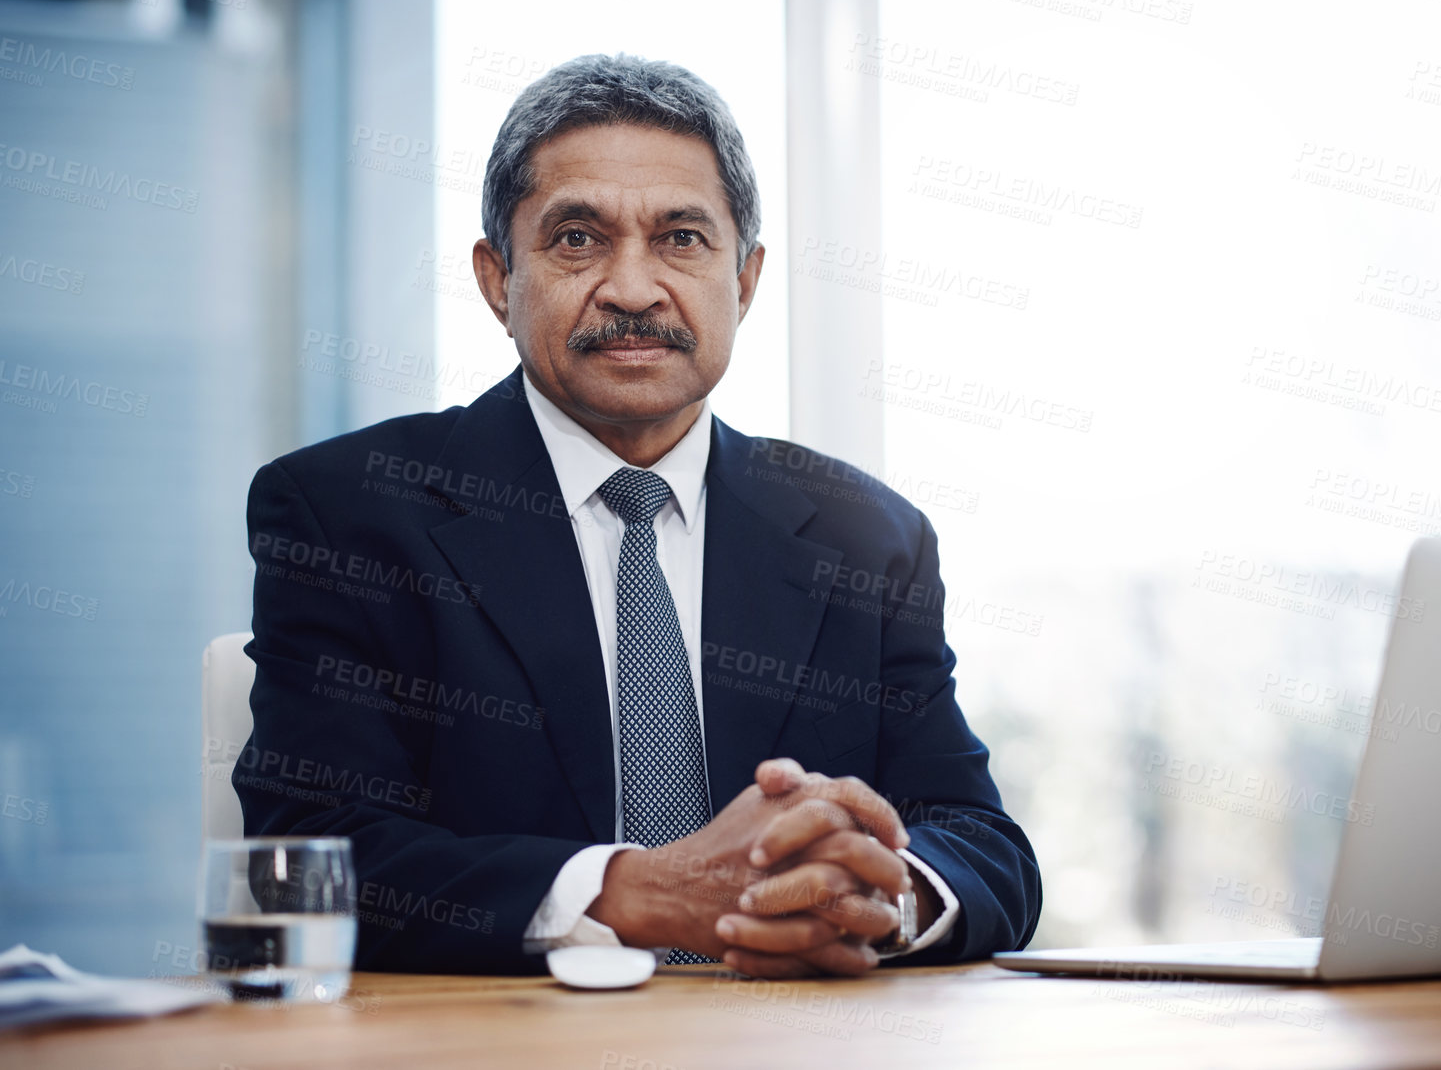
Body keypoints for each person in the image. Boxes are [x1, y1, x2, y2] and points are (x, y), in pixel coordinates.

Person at [236, 53, 1040, 976]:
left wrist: (877, 894)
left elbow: (982, 844)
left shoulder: (867, 537)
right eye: (576, 238)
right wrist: (632, 891)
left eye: (681, 238)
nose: (630, 288)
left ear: (743, 281)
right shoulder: (348, 512)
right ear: (499, 279)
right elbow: (308, 855)